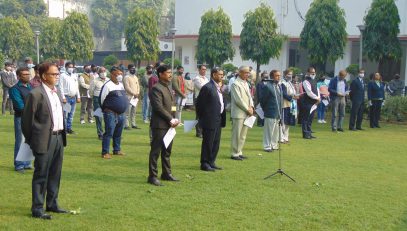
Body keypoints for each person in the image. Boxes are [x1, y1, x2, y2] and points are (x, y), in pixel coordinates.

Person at [22, 62, 68, 220]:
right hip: (43, 140)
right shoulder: (36, 94)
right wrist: (33, 140)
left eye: (57, 74)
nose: (57, 76)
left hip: (58, 138)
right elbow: (26, 122)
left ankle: (52, 203)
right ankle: (37, 208)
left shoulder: (55, 92)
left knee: (55, 173)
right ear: (43, 76)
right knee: (41, 174)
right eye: (53, 74)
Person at [148, 64, 180, 186]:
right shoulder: (156, 88)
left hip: (169, 125)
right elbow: (158, 107)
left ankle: (166, 173)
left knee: (167, 151)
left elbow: (171, 105)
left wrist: (174, 117)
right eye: (168, 72)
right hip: (160, 125)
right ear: (160, 74)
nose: (170, 75)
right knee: (156, 151)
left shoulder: (167, 88)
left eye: (171, 72)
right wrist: (170, 119)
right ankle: (152, 176)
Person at [196, 67, 226, 171]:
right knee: (208, 142)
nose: (221, 76)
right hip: (209, 119)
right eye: (219, 74)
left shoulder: (218, 87)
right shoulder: (207, 87)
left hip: (218, 118)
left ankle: (211, 161)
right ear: (213, 75)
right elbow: (199, 105)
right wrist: (204, 118)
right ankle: (204, 163)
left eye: (222, 74)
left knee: (216, 142)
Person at [99, 66, 128, 159]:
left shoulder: (120, 85)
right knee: (109, 133)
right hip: (110, 113)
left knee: (118, 133)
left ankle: (117, 149)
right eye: (117, 74)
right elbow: (102, 100)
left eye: (120, 74)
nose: (119, 76)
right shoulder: (107, 85)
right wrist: (107, 109)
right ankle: (105, 152)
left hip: (121, 114)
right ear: (112, 74)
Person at [9, 67, 33, 172]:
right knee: (20, 141)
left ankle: (27, 162)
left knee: (30, 140)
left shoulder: (30, 87)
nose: (28, 76)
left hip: (32, 117)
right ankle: (19, 164)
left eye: (28, 74)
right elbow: (19, 105)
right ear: (18, 76)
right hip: (21, 117)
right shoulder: (14, 88)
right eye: (25, 74)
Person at [230, 66, 254, 160]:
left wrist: (251, 106)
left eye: (248, 73)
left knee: (243, 134)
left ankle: (239, 151)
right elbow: (238, 100)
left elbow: (250, 96)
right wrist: (247, 109)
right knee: (237, 134)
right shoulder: (235, 83)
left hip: (247, 112)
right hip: (239, 113)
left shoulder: (246, 83)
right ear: (240, 73)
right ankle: (234, 153)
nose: (247, 74)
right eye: (245, 72)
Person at [259, 70, 282, 152]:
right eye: (277, 76)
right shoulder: (267, 86)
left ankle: (274, 144)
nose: (279, 77)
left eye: (279, 76)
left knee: (276, 130)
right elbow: (262, 100)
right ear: (272, 77)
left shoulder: (278, 86)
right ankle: (267, 146)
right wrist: (266, 109)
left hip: (278, 112)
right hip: (270, 111)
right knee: (268, 131)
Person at [58, 62, 80, 134]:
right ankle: (64, 130)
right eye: (70, 67)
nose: (71, 68)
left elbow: (76, 87)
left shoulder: (74, 76)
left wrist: (78, 96)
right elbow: (60, 87)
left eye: (72, 67)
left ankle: (69, 128)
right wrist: (63, 97)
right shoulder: (63, 75)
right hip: (66, 97)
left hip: (73, 97)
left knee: (71, 114)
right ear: (66, 67)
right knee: (65, 114)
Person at [89, 66, 109, 140]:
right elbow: (91, 91)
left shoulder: (108, 80)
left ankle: (108, 133)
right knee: (99, 117)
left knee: (108, 117)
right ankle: (100, 133)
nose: (103, 73)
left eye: (104, 71)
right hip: (97, 99)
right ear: (98, 73)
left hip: (107, 100)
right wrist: (94, 99)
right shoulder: (95, 81)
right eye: (101, 71)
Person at [301, 67, 320, 139]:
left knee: (310, 119)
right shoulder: (305, 81)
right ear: (308, 73)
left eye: (314, 72)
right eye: (312, 72)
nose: (313, 74)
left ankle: (309, 133)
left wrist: (318, 98)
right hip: (307, 102)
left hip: (314, 103)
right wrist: (317, 98)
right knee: (305, 119)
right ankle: (305, 134)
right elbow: (309, 92)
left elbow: (317, 90)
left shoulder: (314, 80)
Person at [281, 69, 299, 143]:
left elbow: (293, 92)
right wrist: (292, 98)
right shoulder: (282, 83)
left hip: (291, 104)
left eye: (291, 74)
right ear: (285, 74)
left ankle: (286, 137)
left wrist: (296, 96)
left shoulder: (290, 83)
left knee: (288, 122)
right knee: (283, 122)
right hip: (285, 104)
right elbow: (284, 94)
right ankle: (281, 138)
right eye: (289, 74)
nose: (290, 76)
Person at [193, 64, 209, 138]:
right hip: (199, 98)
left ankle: (203, 131)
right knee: (199, 116)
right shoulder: (196, 78)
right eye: (203, 69)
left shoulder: (206, 79)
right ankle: (198, 132)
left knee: (205, 116)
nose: (204, 71)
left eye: (205, 69)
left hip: (206, 99)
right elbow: (202, 88)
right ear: (199, 70)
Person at [123, 64, 140, 129]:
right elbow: (127, 87)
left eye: (134, 68)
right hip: (129, 97)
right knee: (127, 112)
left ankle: (133, 124)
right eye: (132, 68)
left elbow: (138, 86)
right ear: (129, 69)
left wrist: (137, 93)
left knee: (134, 112)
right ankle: (126, 125)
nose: (134, 70)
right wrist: (133, 93)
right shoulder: (126, 77)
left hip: (135, 98)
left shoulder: (135, 77)